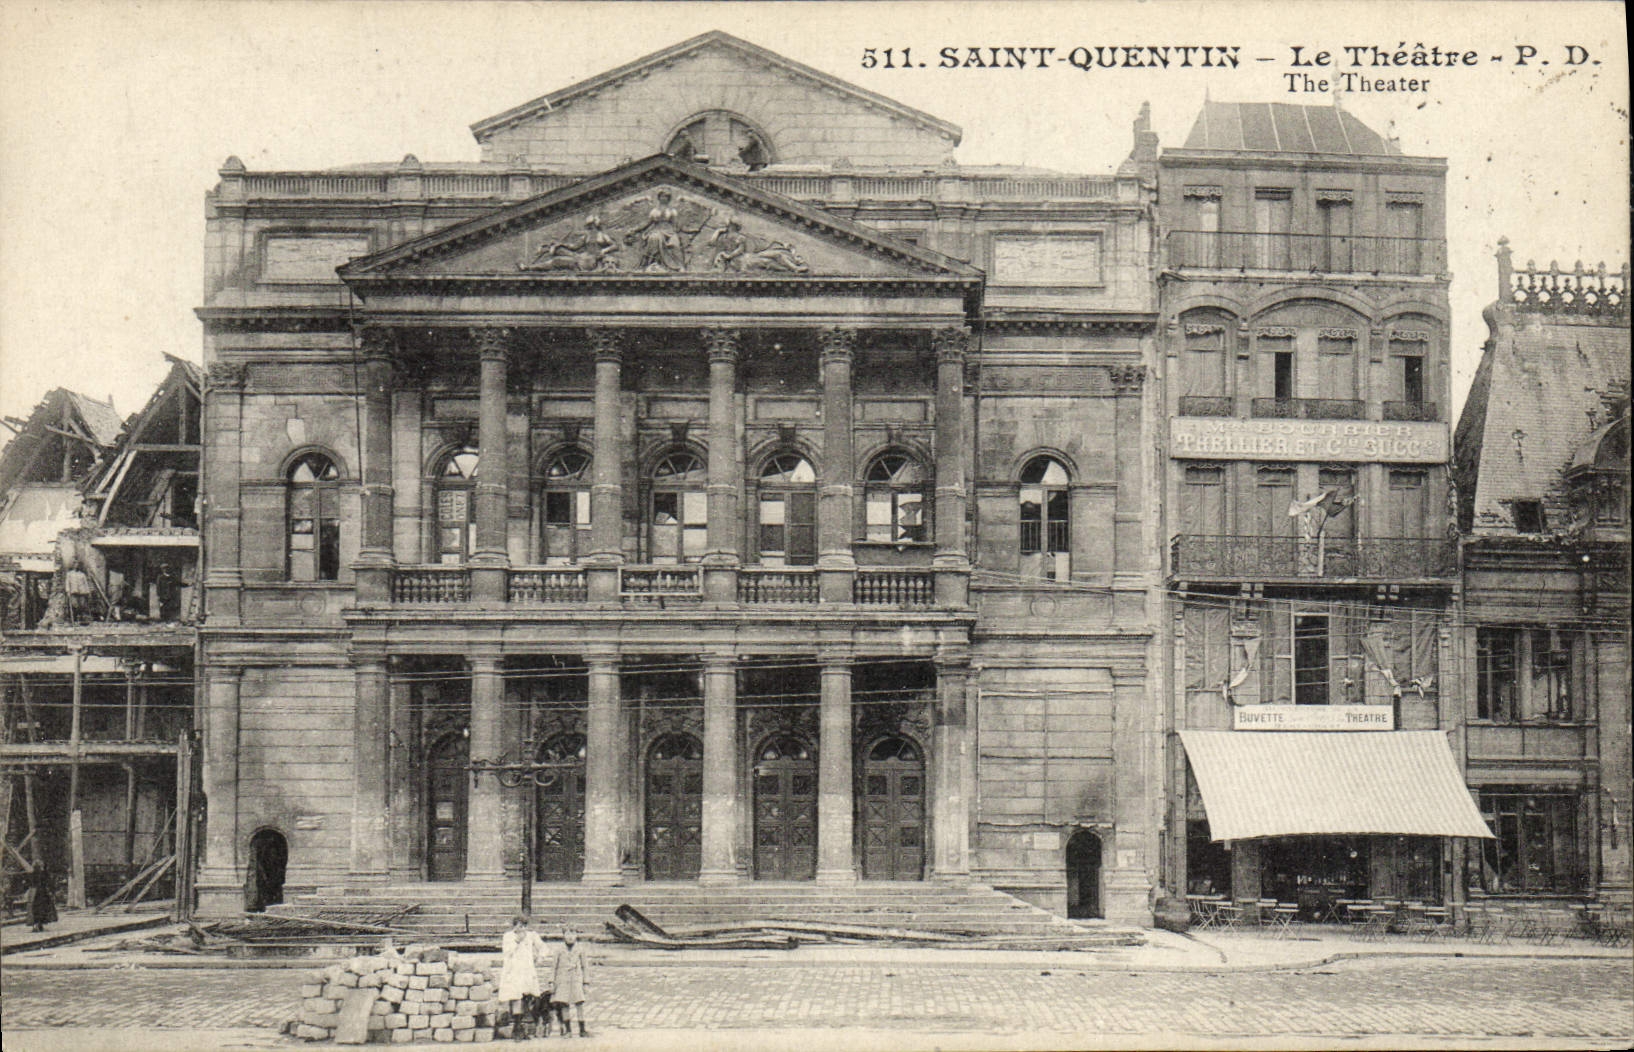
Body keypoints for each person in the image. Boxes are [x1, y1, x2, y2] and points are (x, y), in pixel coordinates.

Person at [496, 914, 546, 1039]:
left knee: (525, 998)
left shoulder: (531, 936)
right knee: (515, 997)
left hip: (526, 971)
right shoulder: (508, 937)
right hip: (513, 972)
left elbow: (543, 947)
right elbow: (507, 952)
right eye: (519, 926)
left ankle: (519, 1028)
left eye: (524, 926)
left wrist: (539, 958)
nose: (522, 929)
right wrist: (517, 940)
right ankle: (517, 1028)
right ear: (514, 926)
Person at [551, 929, 591, 1038]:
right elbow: (554, 967)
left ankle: (582, 1029)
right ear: (563, 935)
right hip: (562, 980)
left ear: (576, 935)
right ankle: (568, 1030)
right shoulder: (559, 950)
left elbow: (585, 967)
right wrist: (552, 982)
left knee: (579, 1004)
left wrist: (586, 982)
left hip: (576, 980)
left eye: (573, 934)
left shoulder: (580, 949)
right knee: (564, 1004)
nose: (570, 936)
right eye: (567, 934)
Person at [28, 864, 57, 933]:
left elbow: (30, 883)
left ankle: (37, 925)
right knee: (42, 910)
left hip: (35, 893)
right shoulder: (44, 874)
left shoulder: (32, 874)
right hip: (43, 893)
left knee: (36, 910)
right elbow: (48, 882)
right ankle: (39, 925)